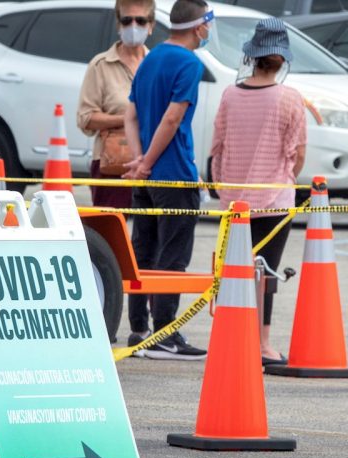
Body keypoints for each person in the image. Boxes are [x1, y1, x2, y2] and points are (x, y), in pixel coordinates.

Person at [210, 18, 306, 366]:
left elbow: (217, 147)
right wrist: (285, 178)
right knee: (267, 272)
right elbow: (296, 153)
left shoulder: (230, 95)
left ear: (253, 57)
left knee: (235, 270)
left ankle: (232, 336)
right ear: (282, 60)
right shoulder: (290, 99)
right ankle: (263, 343)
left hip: (233, 199)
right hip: (274, 199)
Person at [122, 0, 212, 360]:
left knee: (143, 251)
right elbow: (172, 120)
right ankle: (164, 333)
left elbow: (130, 115)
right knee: (172, 256)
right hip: (173, 173)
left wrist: (139, 159)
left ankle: (139, 330)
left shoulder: (150, 58)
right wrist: (149, 163)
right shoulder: (189, 63)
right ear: (200, 26)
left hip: (146, 177)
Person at [76, 0, 156, 209]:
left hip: (151, 160)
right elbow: (85, 118)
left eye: (140, 20)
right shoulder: (100, 65)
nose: (133, 26)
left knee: (148, 235)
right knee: (109, 231)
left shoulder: (157, 64)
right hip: (112, 160)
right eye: (127, 20)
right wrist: (127, 119)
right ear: (119, 24)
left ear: (151, 25)